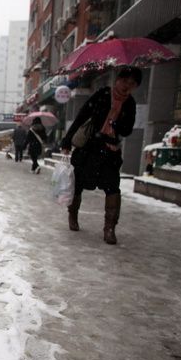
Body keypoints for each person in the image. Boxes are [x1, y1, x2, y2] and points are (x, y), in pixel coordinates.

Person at [60, 66, 142, 245]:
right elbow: (82, 117)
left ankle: (110, 228)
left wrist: (116, 122)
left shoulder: (130, 104)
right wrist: (67, 141)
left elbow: (127, 130)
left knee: (113, 188)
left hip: (110, 151)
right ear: (118, 80)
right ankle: (72, 214)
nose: (127, 86)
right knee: (78, 184)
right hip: (89, 148)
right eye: (125, 81)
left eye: (132, 83)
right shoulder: (102, 95)